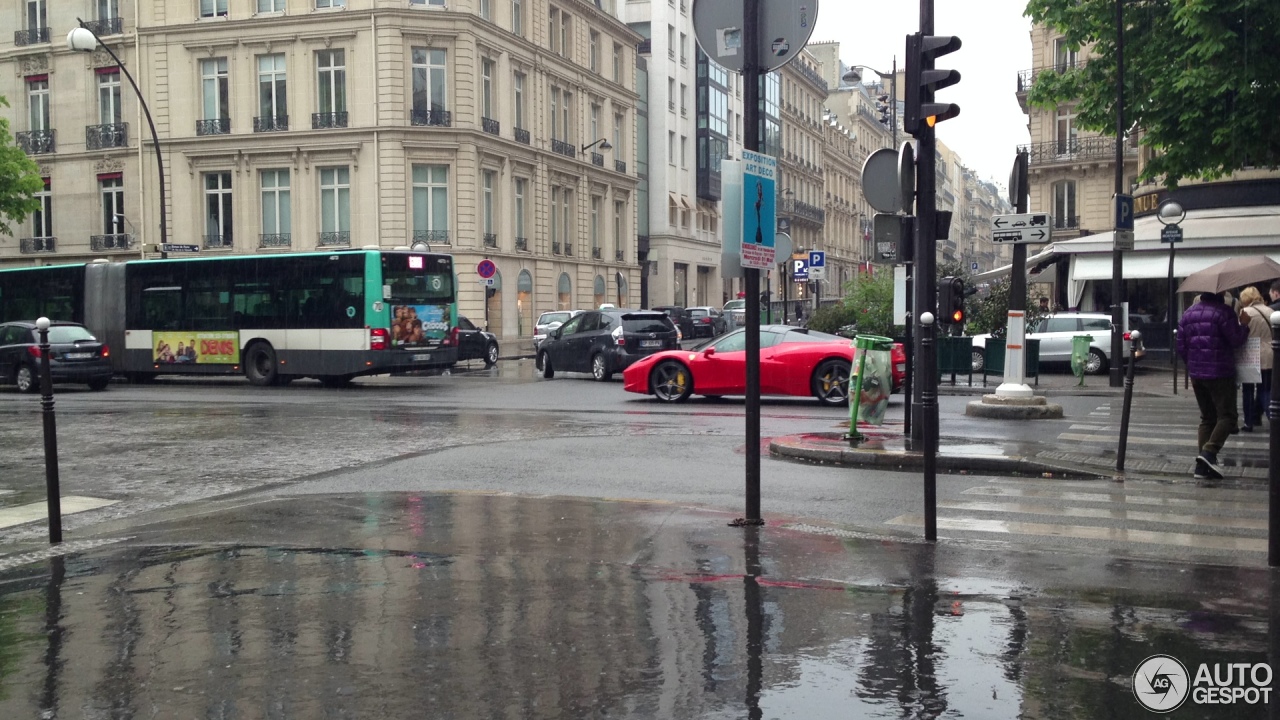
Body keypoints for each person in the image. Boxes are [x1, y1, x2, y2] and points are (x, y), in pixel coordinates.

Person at [1177, 291, 1250, 479]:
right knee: (1228, 416)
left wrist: (1192, 364)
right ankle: (1209, 453)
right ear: (1220, 295)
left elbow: (1181, 346)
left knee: (1207, 418)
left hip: (1196, 374)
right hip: (1220, 372)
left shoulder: (1188, 314)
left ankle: (1202, 468)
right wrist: (1244, 325)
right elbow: (1236, 340)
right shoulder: (1224, 313)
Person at [1238, 287, 1273, 431]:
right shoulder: (1270, 311)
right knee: (1265, 389)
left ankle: (1249, 422)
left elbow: (1240, 332)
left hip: (1250, 353)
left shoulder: (1245, 312)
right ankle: (1273, 417)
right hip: (1269, 353)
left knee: (1248, 390)